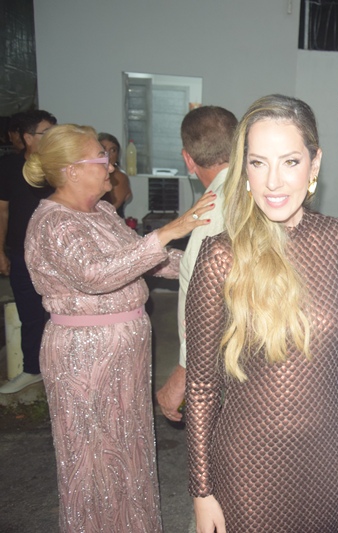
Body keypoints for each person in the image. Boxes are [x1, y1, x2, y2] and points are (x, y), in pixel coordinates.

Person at [22, 124, 214, 532]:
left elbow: (149, 260)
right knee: (92, 457)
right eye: (101, 158)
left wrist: (210, 264)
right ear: (73, 170)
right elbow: (95, 275)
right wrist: (170, 230)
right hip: (84, 357)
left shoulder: (103, 212)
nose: (111, 165)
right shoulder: (53, 222)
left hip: (124, 354)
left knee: (130, 451)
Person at [185, 94, 338, 533]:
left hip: (329, 455)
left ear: (314, 164)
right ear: (243, 169)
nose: (273, 182)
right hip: (249, 464)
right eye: (258, 163)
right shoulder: (221, 256)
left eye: (290, 162)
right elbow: (201, 386)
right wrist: (202, 491)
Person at [155, 105, 237, 423]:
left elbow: (208, 303)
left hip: (227, 364)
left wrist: (182, 373)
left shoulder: (211, 211)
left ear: (188, 159)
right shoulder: (261, 191)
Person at [0, 110, 57, 394]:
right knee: (30, 314)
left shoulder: (58, 165)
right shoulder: (9, 167)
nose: (52, 138)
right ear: (28, 137)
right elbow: (2, 211)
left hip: (57, 255)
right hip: (22, 253)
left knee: (60, 313)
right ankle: (32, 369)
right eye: (46, 133)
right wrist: (1, 251)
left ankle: (61, 369)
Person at [97, 132, 132, 217]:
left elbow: (109, 211)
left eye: (113, 150)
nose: (108, 154)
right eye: (103, 149)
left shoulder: (119, 177)